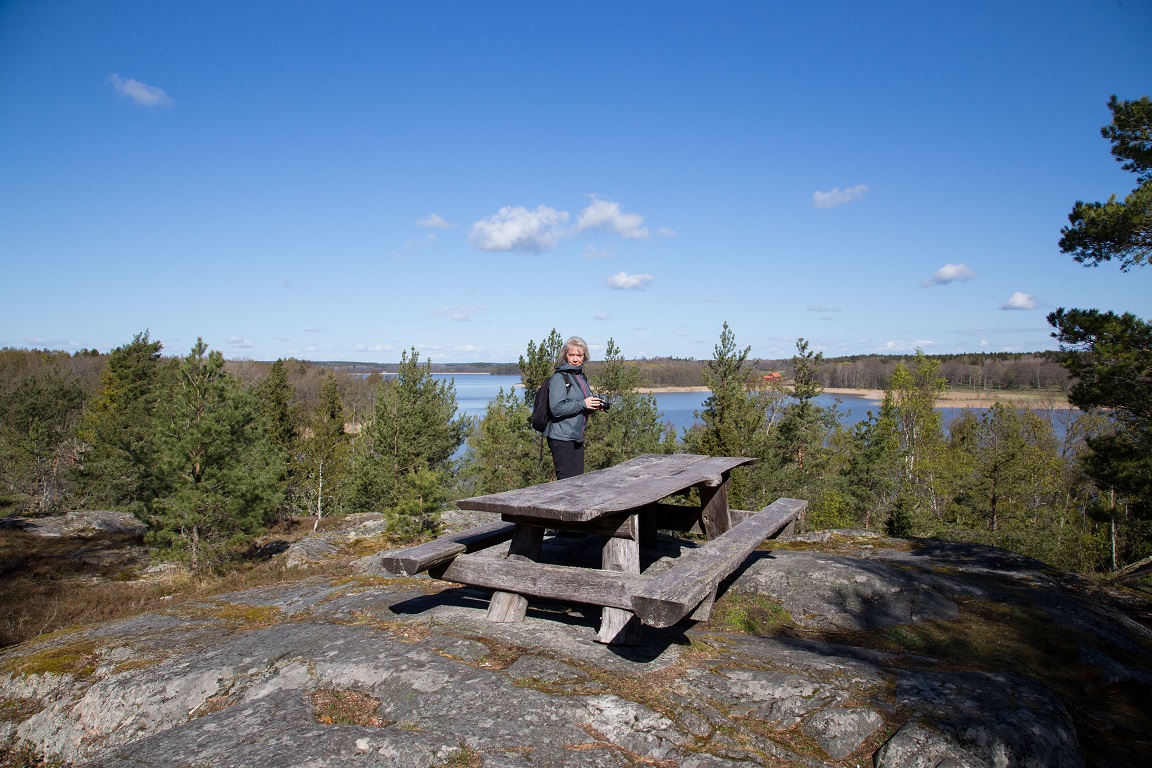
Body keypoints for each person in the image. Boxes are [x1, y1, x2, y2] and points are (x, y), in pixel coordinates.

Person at [545, 336, 604, 479]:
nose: (576, 359)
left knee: (578, 482)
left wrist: (593, 406)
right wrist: (583, 404)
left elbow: (579, 406)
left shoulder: (581, 377)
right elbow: (556, 409)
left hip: (577, 436)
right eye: (572, 355)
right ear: (565, 356)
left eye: (579, 355)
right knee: (566, 483)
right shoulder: (559, 378)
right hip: (561, 437)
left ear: (584, 357)